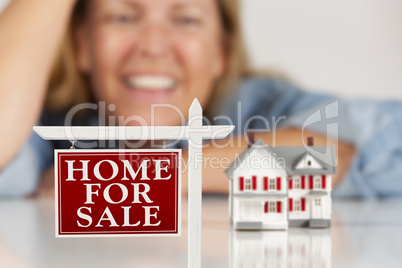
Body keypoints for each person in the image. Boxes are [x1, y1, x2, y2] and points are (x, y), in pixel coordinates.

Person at [0, 0, 400, 198]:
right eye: (122, 17)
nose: (154, 46)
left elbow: (349, 154)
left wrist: (110, 180)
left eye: (186, 19)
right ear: (81, 46)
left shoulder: (258, 107)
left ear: (220, 54)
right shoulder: (45, 127)